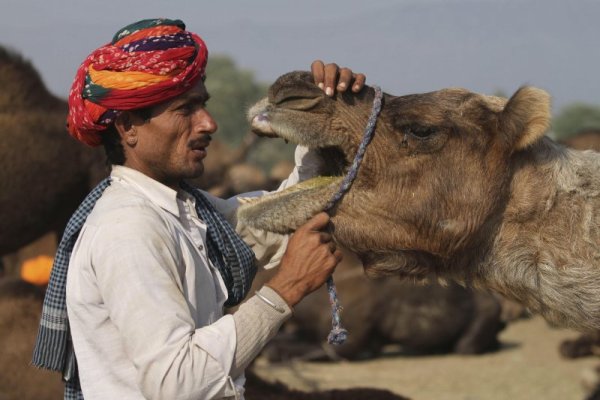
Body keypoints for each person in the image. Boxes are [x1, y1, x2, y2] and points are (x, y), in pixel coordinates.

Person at [32, 18, 365, 400]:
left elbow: (284, 217)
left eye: (203, 105)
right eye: (185, 109)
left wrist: (324, 114)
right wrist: (285, 290)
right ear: (128, 127)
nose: (209, 123)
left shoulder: (191, 214)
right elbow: (178, 382)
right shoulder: (128, 229)